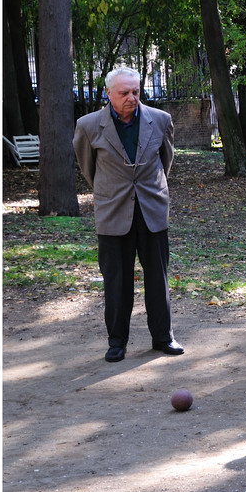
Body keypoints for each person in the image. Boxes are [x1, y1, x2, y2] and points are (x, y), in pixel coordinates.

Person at [73, 66, 184, 362]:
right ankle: (117, 342)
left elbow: (166, 160)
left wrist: (149, 190)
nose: (131, 98)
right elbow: (89, 169)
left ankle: (163, 337)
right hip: (113, 213)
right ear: (108, 94)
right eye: (124, 93)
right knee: (116, 281)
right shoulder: (88, 125)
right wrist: (110, 191)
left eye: (135, 92)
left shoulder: (161, 120)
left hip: (151, 210)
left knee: (158, 279)